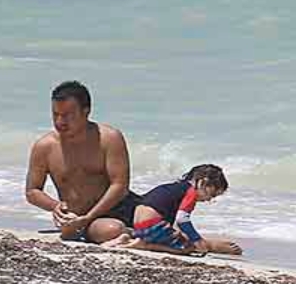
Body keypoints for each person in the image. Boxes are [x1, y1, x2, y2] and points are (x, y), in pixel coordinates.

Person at [25, 81, 134, 243]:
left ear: (86, 111)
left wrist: (90, 216)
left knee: (113, 229)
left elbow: (120, 186)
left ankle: (136, 231)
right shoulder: (45, 147)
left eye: (68, 115)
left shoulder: (109, 138)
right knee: (108, 230)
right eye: (56, 114)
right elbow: (32, 191)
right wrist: (55, 206)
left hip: (116, 209)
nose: (60, 121)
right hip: (75, 218)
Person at [101, 164, 243, 256]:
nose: (209, 199)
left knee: (176, 236)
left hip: (138, 224)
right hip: (153, 225)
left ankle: (129, 238)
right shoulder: (191, 192)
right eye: (211, 194)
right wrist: (196, 239)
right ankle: (144, 245)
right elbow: (182, 219)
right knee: (186, 248)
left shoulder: (173, 187)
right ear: (202, 181)